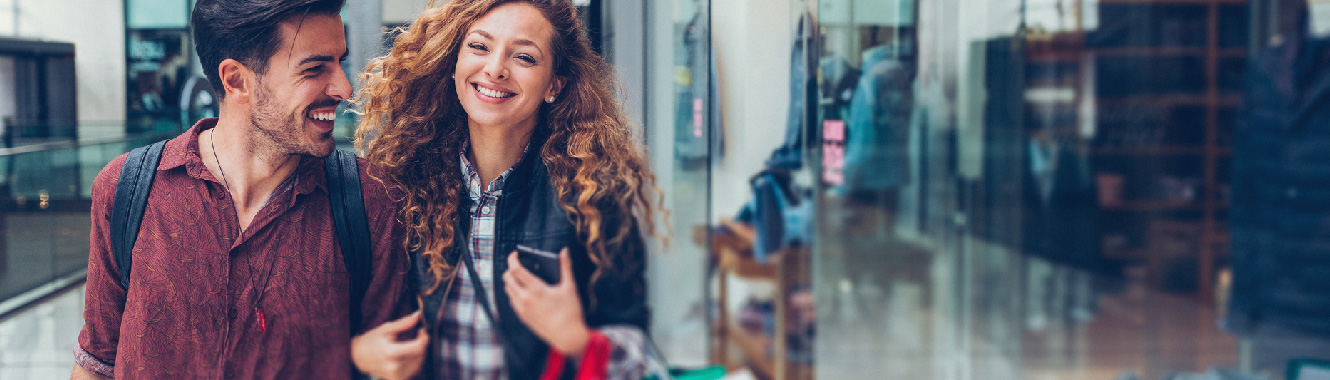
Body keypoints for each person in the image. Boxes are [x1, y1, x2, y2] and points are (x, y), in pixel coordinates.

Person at [71, 0, 411, 378]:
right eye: (315, 68)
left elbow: (391, 364)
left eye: (339, 62)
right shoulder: (129, 189)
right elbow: (96, 363)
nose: (344, 88)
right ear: (236, 80)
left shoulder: (370, 200)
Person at [350, 1, 662, 379]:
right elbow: (354, 314)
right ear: (453, 64)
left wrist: (576, 338)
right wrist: (358, 354)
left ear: (553, 85)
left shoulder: (593, 191)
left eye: (525, 58)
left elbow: (639, 350)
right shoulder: (401, 181)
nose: (495, 69)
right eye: (479, 47)